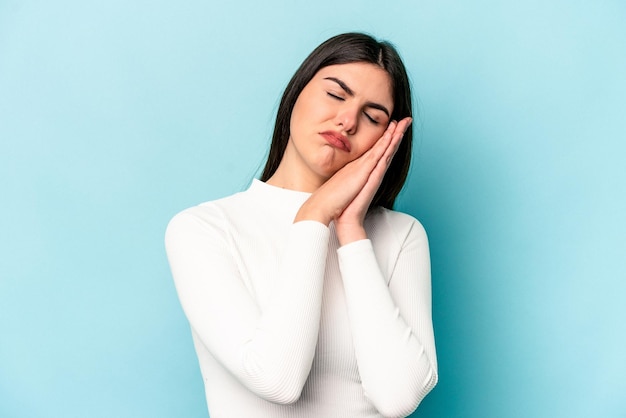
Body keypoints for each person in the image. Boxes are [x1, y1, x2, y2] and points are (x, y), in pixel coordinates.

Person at [165, 32, 438, 418]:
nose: (347, 121)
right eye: (336, 95)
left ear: (387, 139)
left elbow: (398, 398)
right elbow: (277, 379)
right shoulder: (203, 229)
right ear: (298, 92)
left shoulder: (401, 235)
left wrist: (351, 233)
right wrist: (313, 215)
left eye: (373, 116)